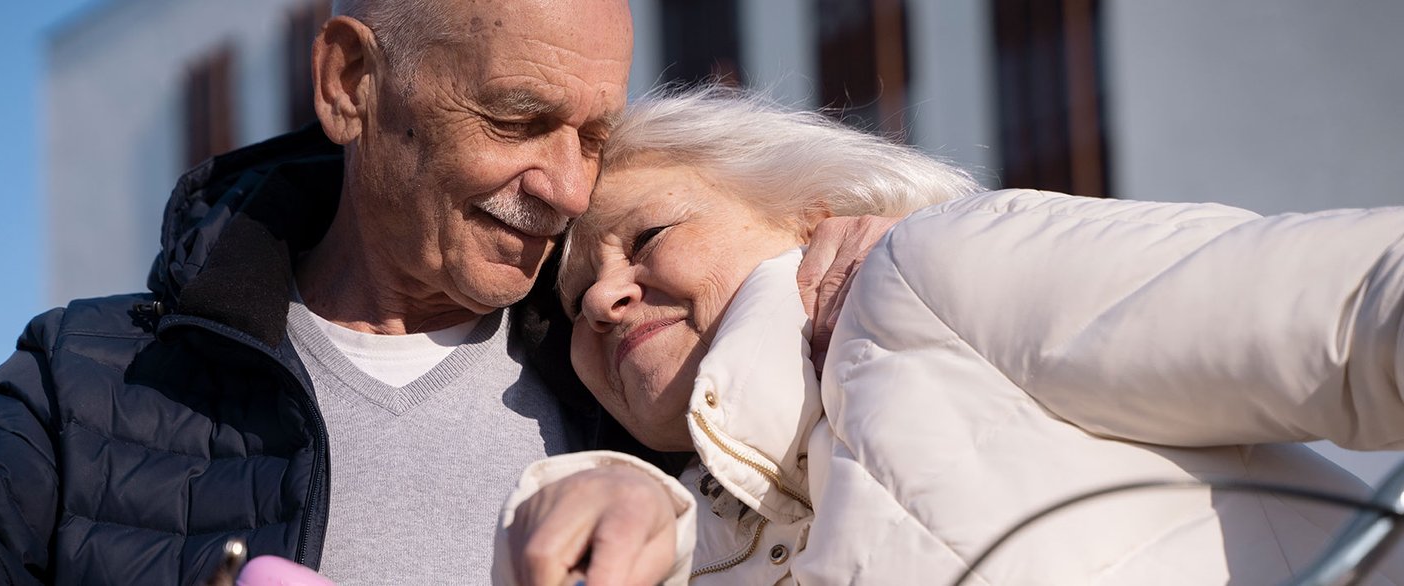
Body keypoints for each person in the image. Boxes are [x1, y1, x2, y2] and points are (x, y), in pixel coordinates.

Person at [0, 3, 883, 584]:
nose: (563, 187)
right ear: (351, 83)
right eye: (514, 120)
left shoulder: (630, 360)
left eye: (591, 136)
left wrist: (877, 256)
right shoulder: (90, 380)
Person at [497, 88, 1404, 585]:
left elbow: (1357, 307)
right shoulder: (671, 552)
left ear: (807, 211)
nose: (607, 297)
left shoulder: (932, 275)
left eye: (647, 238)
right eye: (574, 304)